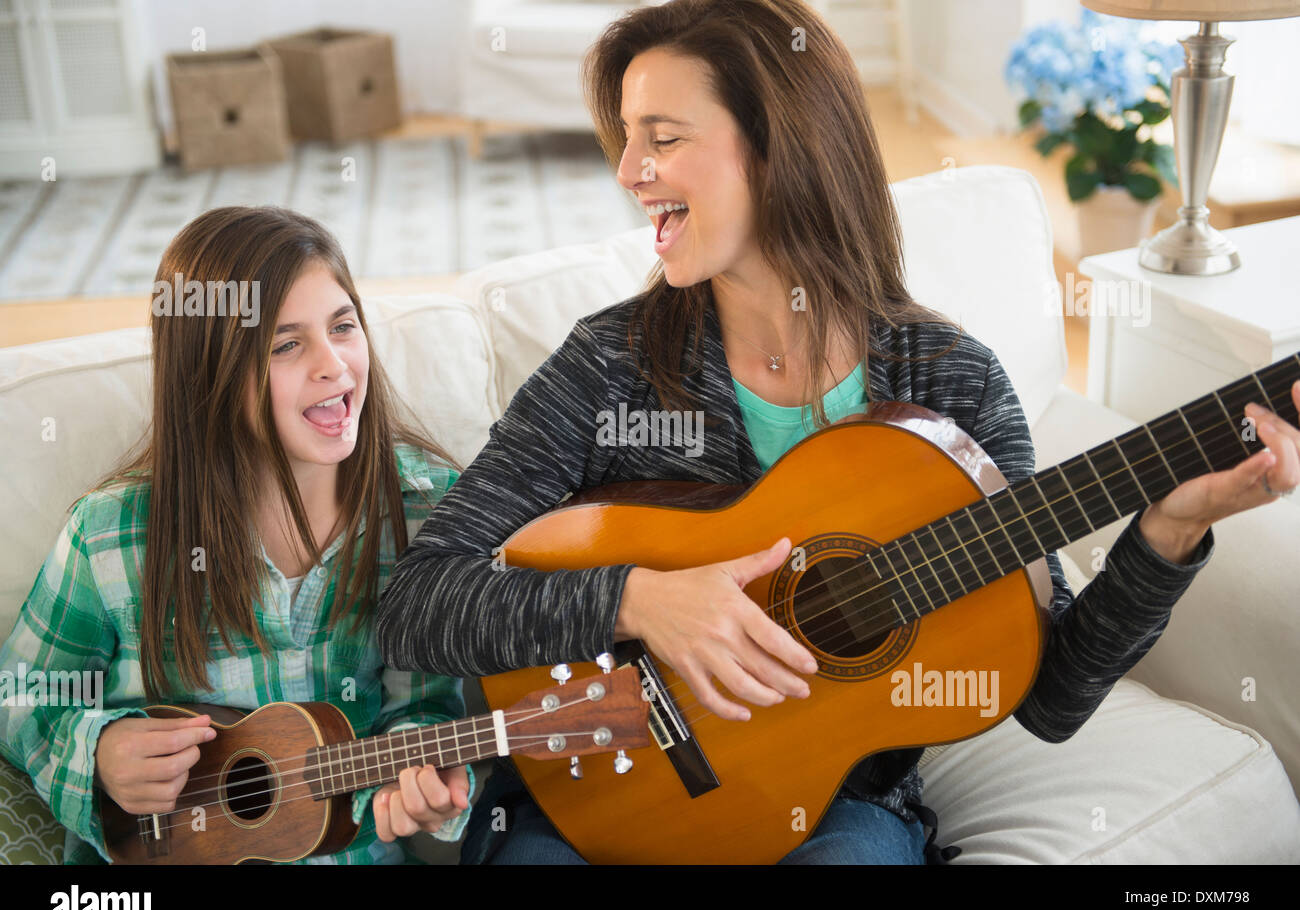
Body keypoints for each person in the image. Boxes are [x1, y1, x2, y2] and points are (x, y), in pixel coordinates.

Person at [375, 0, 1300, 864]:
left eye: (662, 139)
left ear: (778, 149)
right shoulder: (609, 364)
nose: (627, 172)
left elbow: (1049, 700)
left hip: (839, 814)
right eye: (627, 140)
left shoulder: (950, 380)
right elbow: (418, 603)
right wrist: (639, 600)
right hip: (593, 803)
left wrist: (1170, 529)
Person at [0, 206, 472, 864]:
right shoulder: (110, 536)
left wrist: (420, 784)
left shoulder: (427, 512)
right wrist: (98, 752)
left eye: (343, 326)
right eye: (286, 344)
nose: (334, 364)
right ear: (211, 375)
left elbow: (423, 705)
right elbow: (21, 693)